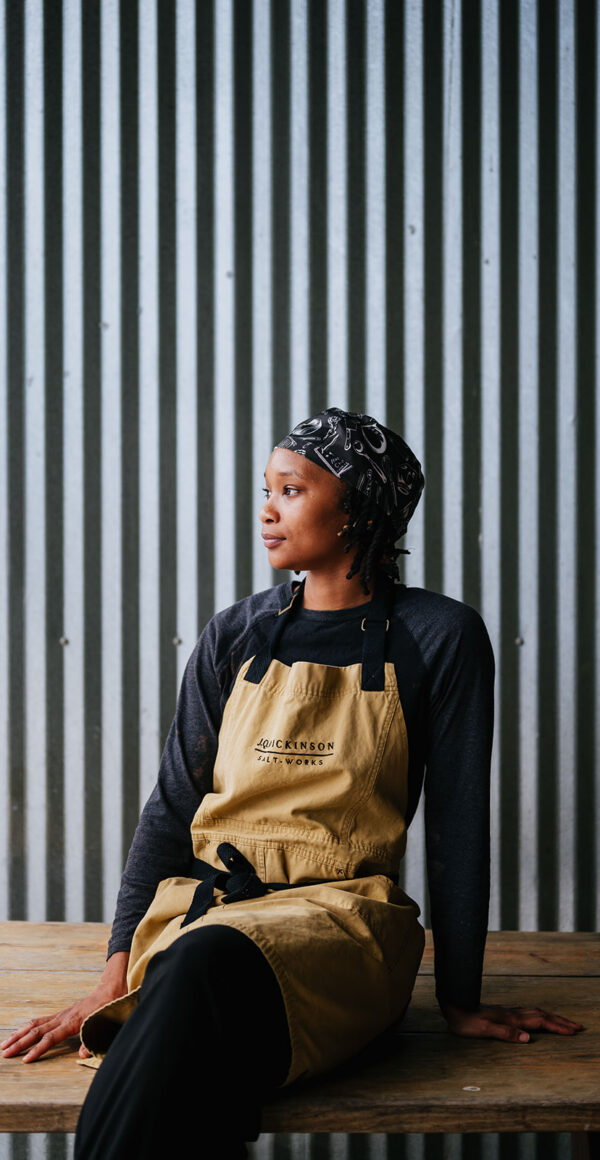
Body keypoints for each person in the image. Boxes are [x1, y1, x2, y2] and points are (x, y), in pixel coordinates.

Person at [2, 408, 582, 1158]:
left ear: (358, 513)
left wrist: (458, 1000)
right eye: (266, 488)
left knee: (199, 978)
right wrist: (113, 974)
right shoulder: (234, 634)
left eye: (291, 489)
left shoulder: (440, 637)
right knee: (196, 1002)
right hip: (200, 922)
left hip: (339, 925)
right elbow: (173, 808)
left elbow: (459, 830)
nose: (267, 509)